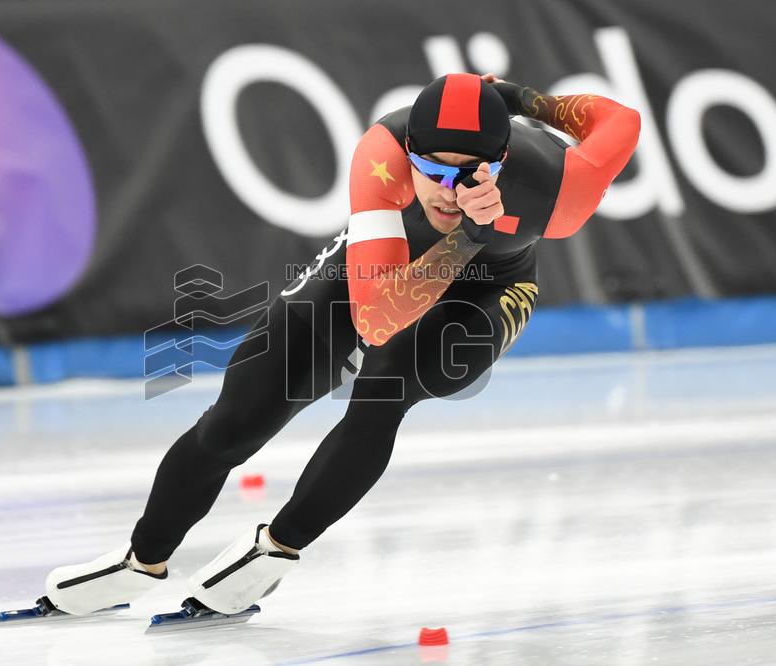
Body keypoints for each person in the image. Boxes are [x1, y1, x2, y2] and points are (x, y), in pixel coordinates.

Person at [42, 73, 641, 616]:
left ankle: (277, 550)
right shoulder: (380, 155)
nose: (447, 189)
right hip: (388, 269)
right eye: (431, 168)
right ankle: (140, 559)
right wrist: (466, 234)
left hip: (488, 288)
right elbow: (377, 319)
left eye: (469, 172)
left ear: (503, 161)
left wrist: (534, 104)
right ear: (408, 153)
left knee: (384, 393)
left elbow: (622, 122)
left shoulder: (563, 190)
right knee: (239, 414)